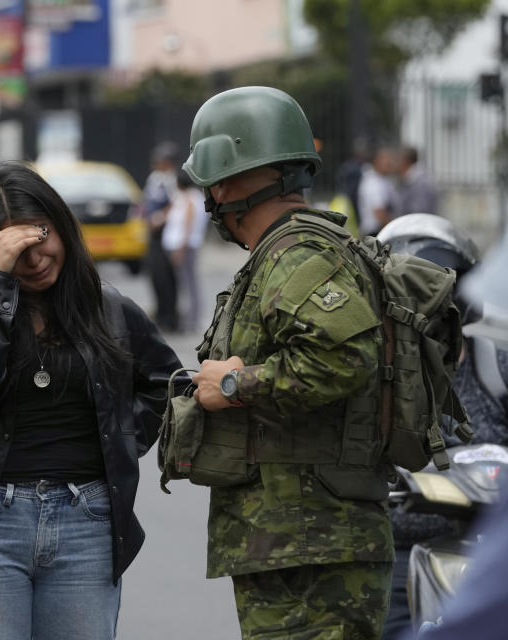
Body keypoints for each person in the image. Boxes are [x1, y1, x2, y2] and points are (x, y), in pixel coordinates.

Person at [0, 161, 182, 639]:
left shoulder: (108, 310)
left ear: (62, 226)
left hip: (87, 523)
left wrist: (122, 438)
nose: (34, 258)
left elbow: (168, 384)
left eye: (41, 236)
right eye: (13, 248)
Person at [183, 86, 394, 639]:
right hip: (298, 541)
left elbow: (343, 360)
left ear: (223, 182)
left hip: (310, 545)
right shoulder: (295, 251)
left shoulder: (295, 254)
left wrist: (229, 384)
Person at [375, 214, 507, 639]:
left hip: (490, 546)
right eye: (409, 291)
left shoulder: (496, 364)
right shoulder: (367, 378)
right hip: (395, 553)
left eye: (436, 289)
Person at [143, 141, 182, 332]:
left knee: (168, 278)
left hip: (166, 235)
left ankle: (170, 317)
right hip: (153, 235)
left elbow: (177, 203)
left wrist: (160, 218)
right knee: (155, 276)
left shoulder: (172, 180)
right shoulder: (155, 179)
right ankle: (160, 313)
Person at [161, 169, 207, 332]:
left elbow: (188, 226)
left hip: (185, 247)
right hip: (182, 246)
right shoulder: (187, 197)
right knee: (187, 283)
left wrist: (181, 249)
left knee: (187, 283)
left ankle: (192, 319)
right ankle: (189, 317)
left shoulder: (190, 199)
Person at [357, 146, 398, 236]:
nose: (390, 162)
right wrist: (397, 229)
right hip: (376, 233)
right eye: (385, 158)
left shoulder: (383, 179)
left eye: (391, 158)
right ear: (376, 161)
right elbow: (380, 213)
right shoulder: (373, 183)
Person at [394, 146, 438, 216]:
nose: (394, 164)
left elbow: (419, 212)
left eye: (396, 160)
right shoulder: (408, 179)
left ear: (405, 161)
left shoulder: (420, 182)